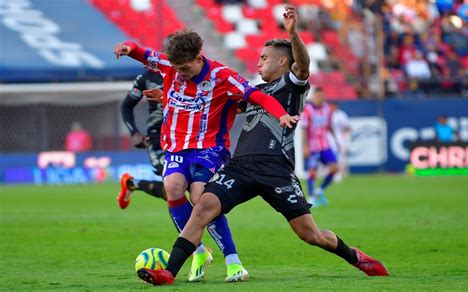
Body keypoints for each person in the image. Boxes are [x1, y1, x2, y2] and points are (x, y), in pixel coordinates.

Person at [135, 6, 389, 286]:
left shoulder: (292, 85)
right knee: (202, 207)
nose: (258, 63)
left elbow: (302, 65)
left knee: (311, 235)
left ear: (282, 62)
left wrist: (293, 35)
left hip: (276, 170)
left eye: (264, 58)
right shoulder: (252, 93)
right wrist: (169, 97)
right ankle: (168, 272)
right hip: (240, 167)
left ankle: (355, 256)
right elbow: (208, 106)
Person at [113, 29, 298, 282]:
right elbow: (144, 54)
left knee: (202, 197)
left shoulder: (222, 76)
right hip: (176, 147)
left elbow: (257, 96)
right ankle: (198, 251)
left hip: (211, 148)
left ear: (199, 58)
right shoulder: (170, 65)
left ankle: (234, 262)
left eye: (185, 68)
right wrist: (128, 47)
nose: (180, 73)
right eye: (177, 68)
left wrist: (282, 114)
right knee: (173, 188)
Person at [116, 69, 167, 209]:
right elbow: (126, 106)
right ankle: (130, 183)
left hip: (186, 138)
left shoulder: (190, 73)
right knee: (172, 190)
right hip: (158, 138)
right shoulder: (148, 77)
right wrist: (134, 132)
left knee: (190, 188)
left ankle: (131, 183)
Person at [300, 88, 340, 207]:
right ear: (314, 96)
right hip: (312, 146)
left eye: (322, 96)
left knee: (335, 168)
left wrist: (336, 139)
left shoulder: (327, 108)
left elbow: (329, 125)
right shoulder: (308, 109)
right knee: (312, 171)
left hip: (325, 144)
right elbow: (304, 129)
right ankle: (311, 196)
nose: (320, 98)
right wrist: (305, 146)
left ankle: (320, 190)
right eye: (318, 96)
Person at [328, 101, 351, 183]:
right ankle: (330, 173)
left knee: (340, 156)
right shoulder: (328, 113)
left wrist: (346, 138)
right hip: (329, 137)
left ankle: (339, 174)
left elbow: (347, 127)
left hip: (339, 137)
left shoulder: (341, 115)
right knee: (331, 156)